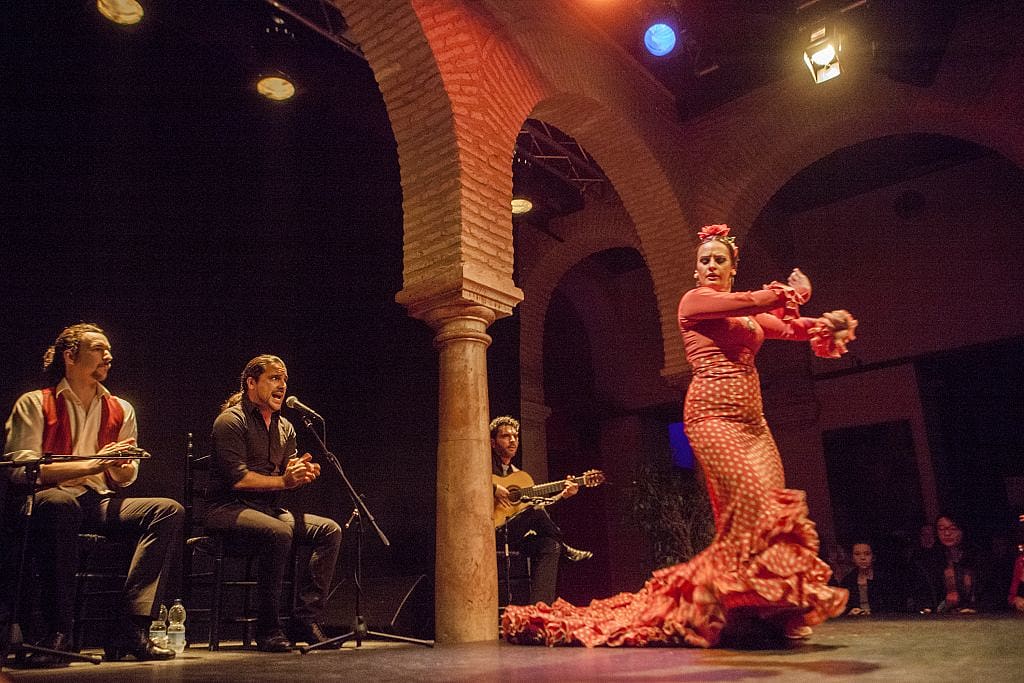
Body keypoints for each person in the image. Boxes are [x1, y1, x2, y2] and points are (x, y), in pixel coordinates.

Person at [502, 223, 855, 647]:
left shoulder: (744, 314)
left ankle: (754, 614)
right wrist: (791, 294)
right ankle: (732, 606)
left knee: (770, 513)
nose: (709, 265)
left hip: (754, 424)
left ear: (731, 266)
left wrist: (824, 322)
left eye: (718, 259)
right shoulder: (696, 301)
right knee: (750, 506)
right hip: (712, 418)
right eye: (704, 260)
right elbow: (757, 298)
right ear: (696, 270)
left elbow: (790, 328)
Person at [2, 323, 181, 666]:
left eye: (109, 350)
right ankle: (57, 633)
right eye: (99, 349)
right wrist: (96, 463)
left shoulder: (120, 408)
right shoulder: (35, 403)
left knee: (167, 510)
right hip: (44, 499)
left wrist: (119, 466)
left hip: (94, 501)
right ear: (70, 356)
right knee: (61, 502)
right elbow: (22, 470)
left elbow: (126, 477)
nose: (108, 356)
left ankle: (131, 627)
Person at [207, 355, 343, 652]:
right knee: (279, 532)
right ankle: (268, 629)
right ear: (251, 383)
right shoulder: (230, 421)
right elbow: (239, 479)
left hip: (267, 511)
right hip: (226, 509)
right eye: (274, 378)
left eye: (284, 380)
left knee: (329, 530)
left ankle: (304, 621)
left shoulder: (286, 428)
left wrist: (300, 473)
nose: (282, 385)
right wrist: (284, 481)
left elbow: (287, 473)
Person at [491, 416, 591, 606]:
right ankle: (566, 548)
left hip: (516, 534)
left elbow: (538, 509)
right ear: (492, 442)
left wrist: (563, 495)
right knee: (536, 512)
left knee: (550, 544)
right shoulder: (481, 469)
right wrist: (494, 488)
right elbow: (466, 485)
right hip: (491, 532)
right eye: (506, 436)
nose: (512, 440)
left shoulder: (521, 476)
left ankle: (539, 609)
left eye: (515, 436)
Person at [839, 542, 899, 615]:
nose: (863, 558)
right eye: (857, 554)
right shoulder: (848, 581)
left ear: (873, 557)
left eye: (867, 554)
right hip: (855, 621)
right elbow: (841, 607)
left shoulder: (884, 579)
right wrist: (850, 611)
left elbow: (892, 606)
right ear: (852, 558)